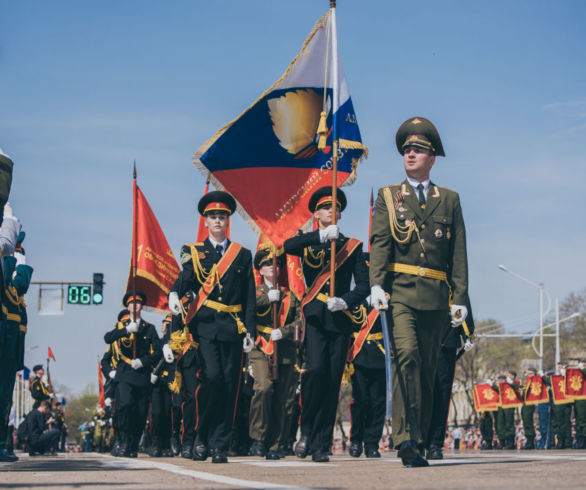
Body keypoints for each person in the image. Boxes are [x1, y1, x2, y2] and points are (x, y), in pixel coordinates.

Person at [369, 117, 469, 467]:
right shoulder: (388, 197)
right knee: (406, 356)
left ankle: (422, 437)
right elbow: (381, 242)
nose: (410, 154)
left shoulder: (450, 200)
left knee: (426, 369)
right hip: (401, 294)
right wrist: (376, 284)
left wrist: (460, 299)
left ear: (432, 158)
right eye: (407, 150)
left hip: (436, 296)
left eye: (418, 150)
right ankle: (405, 438)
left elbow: (458, 254)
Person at [168, 190, 256, 464]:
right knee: (213, 379)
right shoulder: (193, 252)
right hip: (205, 327)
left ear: (228, 220)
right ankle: (199, 436)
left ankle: (219, 445)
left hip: (232, 327)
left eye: (222, 216)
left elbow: (249, 296)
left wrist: (250, 331)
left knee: (230, 386)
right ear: (205, 221)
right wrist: (174, 293)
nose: (217, 220)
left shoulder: (242, 254)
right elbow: (186, 279)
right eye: (213, 216)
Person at [284, 186, 369, 463]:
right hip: (317, 317)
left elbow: (364, 286)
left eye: (335, 208)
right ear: (316, 214)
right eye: (325, 208)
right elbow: (288, 247)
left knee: (332, 382)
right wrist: (320, 236)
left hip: (340, 319)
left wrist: (346, 301)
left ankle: (321, 443)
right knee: (315, 373)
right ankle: (306, 430)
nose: (331, 212)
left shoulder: (352, 247)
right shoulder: (309, 240)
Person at [248, 247, 301, 460]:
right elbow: (247, 310)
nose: (274, 267)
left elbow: (300, 321)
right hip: (261, 347)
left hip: (285, 348)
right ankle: (258, 439)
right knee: (264, 388)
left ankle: (276, 444)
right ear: (260, 270)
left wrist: (285, 331)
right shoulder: (255, 292)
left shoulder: (290, 295)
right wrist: (267, 299)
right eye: (268, 264)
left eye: (277, 264)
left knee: (285, 398)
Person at [103, 291, 161, 457]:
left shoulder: (149, 328)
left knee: (140, 411)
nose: (135, 306)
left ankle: (133, 444)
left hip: (141, 374)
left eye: (138, 303)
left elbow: (157, 352)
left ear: (142, 306)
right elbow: (107, 338)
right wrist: (126, 331)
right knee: (125, 406)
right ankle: (122, 440)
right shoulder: (122, 326)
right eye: (131, 303)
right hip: (124, 373)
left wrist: (144, 361)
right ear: (127, 307)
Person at [347, 295, 386, 459]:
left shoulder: (386, 300)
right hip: (359, 355)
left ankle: (372, 443)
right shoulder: (356, 300)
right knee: (360, 401)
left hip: (380, 355)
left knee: (378, 402)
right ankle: (356, 439)